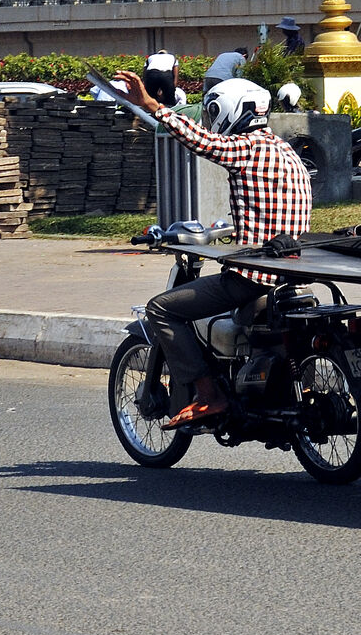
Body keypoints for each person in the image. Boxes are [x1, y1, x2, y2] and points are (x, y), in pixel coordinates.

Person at [113, 69, 312, 429]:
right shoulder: (285, 150)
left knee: (162, 309)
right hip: (293, 272)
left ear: (229, 111)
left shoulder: (247, 148)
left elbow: (202, 143)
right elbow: (267, 210)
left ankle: (209, 394)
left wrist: (154, 106)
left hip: (254, 277)